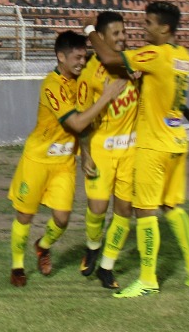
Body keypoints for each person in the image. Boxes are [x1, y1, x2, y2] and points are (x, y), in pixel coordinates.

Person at [87, 1, 189, 298]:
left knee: (144, 211)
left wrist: (91, 30)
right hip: (177, 142)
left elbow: (108, 57)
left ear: (164, 28)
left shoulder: (155, 54)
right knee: (172, 207)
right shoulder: (183, 56)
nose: (143, 29)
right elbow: (168, 93)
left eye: (148, 23)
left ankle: (148, 279)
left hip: (153, 145)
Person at [8, 29, 127, 287]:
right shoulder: (52, 86)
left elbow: (85, 125)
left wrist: (86, 155)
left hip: (64, 163)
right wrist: (106, 97)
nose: (82, 63)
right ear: (61, 57)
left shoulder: (80, 81)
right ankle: (17, 266)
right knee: (25, 215)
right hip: (37, 160)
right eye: (77, 58)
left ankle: (43, 246)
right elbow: (75, 123)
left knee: (62, 219)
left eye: (84, 58)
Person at [74, 10, 142, 291]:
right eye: (116, 33)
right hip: (101, 149)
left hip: (131, 151)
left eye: (124, 32)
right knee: (98, 209)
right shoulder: (89, 73)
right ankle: (92, 246)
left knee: (124, 210)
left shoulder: (134, 61)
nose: (123, 38)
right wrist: (85, 153)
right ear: (101, 38)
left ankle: (107, 267)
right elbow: (81, 117)